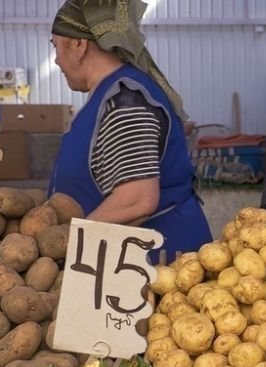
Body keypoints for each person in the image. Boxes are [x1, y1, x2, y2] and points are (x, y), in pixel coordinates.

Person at [48, 0, 212, 258]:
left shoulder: (126, 101)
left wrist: (70, 247)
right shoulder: (105, 97)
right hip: (124, 265)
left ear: (78, 45)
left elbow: (136, 200)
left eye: (55, 46)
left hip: (157, 269)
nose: (56, 60)